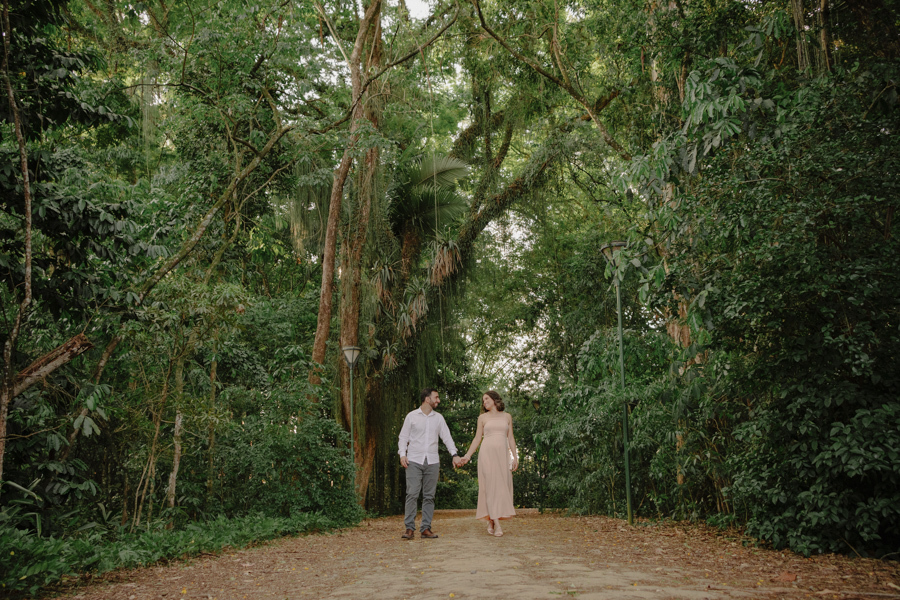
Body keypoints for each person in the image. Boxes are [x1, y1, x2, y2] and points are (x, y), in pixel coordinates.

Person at [397, 388, 463, 539]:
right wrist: (402, 455)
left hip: (432, 462)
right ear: (427, 399)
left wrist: (454, 454)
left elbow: (447, 437)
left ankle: (426, 528)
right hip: (413, 460)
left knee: (429, 496)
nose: (438, 400)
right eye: (436, 397)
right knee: (412, 494)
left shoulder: (438, 418)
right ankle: (409, 528)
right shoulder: (411, 416)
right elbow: (403, 437)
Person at [459, 390, 518, 537]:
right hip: (487, 455)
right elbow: (477, 438)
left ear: (494, 399)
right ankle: (497, 524)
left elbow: (510, 438)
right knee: (490, 487)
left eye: (486, 399)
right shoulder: (482, 418)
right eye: (483, 400)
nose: (484, 402)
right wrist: (467, 456)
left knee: (501, 487)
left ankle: (491, 519)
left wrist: (515, 457)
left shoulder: (507, 417)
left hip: (503, 457)